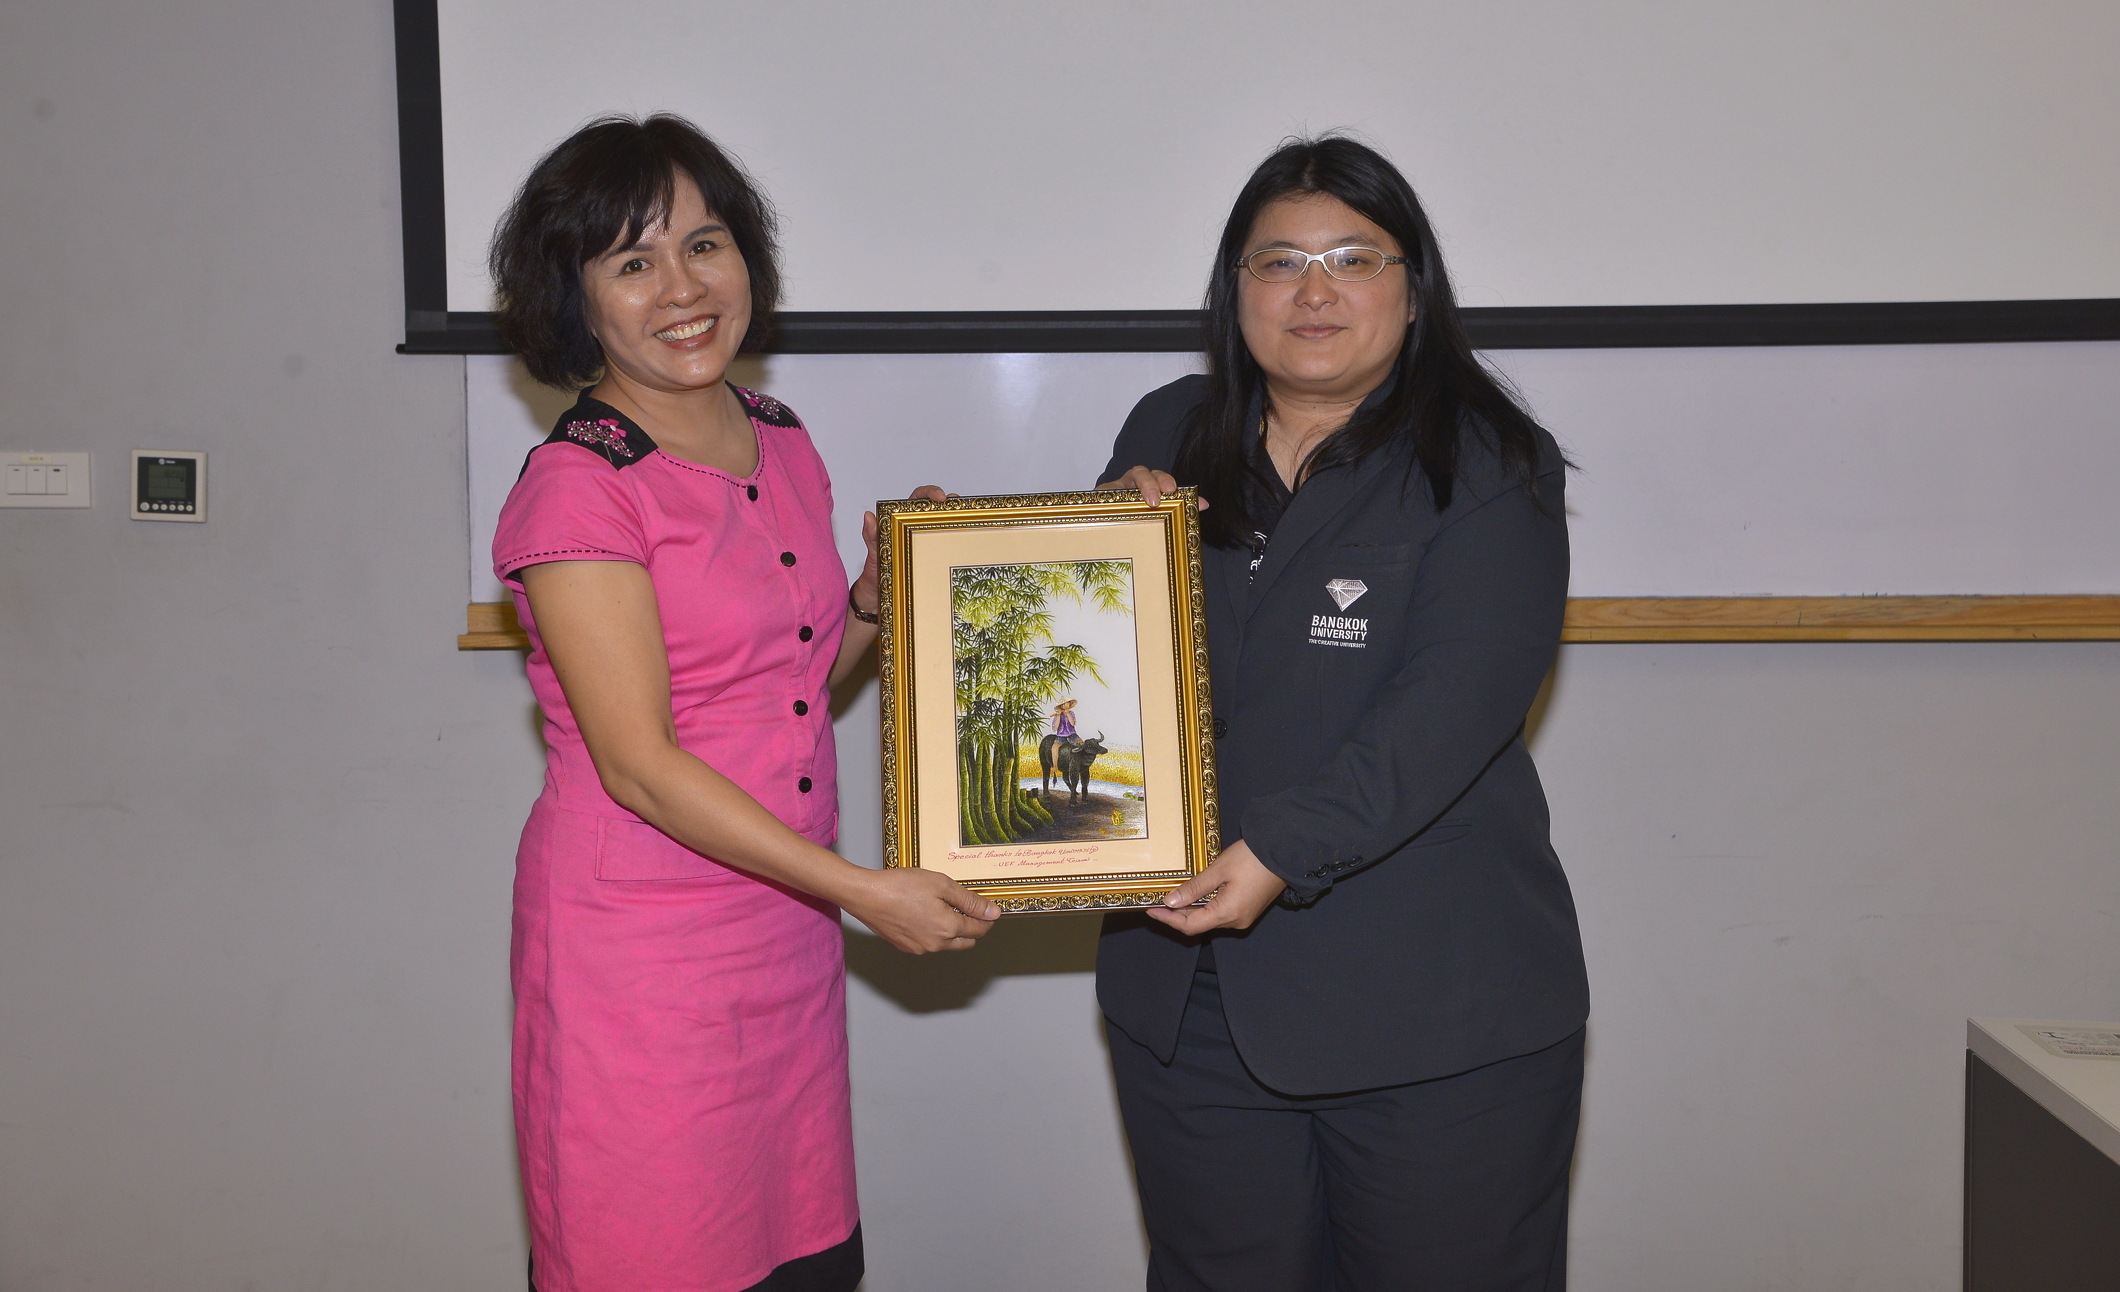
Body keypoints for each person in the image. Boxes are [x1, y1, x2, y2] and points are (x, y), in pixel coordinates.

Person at [486, 114, 999, 1292]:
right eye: (633, 261)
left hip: (782, 931)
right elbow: (639, 764)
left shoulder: (779, 437)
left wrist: (874, 598)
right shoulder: (577, 487)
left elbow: (793, 689)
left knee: (800, 1258)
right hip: (641, 957)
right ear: (577, 300)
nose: (682, 288)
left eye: (704, 244)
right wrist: (861, 891)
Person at [1096, 136, 1589, 1291]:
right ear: (1234, 292)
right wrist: (1081, 542)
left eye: (1352, 259)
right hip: (1188, 1006)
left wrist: (1281, 849)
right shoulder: (1166, 430)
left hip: (1432, 1013)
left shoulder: (1487, 462)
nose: (1312, 292)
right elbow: (1105, 668)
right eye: (1277, 261)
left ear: (1412, 291)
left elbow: (1451, 705)